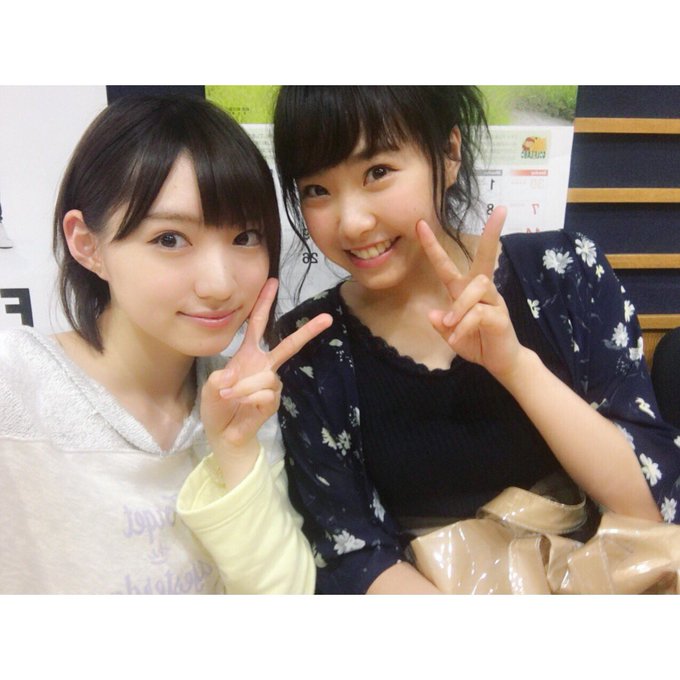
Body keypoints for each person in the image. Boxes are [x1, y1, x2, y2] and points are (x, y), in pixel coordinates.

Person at [272, 86, 680, 594]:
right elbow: (353, 554)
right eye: (316, 189)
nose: (351, 223)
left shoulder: (564, 272)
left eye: (377, 172)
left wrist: (515, 366)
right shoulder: (309, 346)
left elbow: (649, 504)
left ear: (449, 153)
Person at [0, 94, 330, 594]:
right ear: (87, 244)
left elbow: (286, 597)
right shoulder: (17, 387)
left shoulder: (247, 395)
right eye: (170, 239)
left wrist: (235, 449)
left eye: (245, 237)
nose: (219, 284)